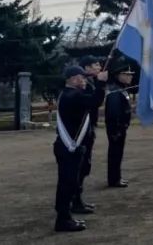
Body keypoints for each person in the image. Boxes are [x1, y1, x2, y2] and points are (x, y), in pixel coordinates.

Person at [54, 67, 95, 233]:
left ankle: (64, 216)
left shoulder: (70, 93)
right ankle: (63, 220)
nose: (83, 81)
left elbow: (90, 97)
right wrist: (100, 84)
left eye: (84, 78)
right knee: (67, 183)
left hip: (68, 147)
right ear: (70, 79)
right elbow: (93, 101)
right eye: (80, 78)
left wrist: (94, 82)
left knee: (69, 183)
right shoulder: (72, 95)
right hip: (68, 147)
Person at [74, 56, 108, 214]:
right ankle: (75, 201)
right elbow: (95, 102)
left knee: (85, 166)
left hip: (89, 127)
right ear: (86, 68)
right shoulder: (84, 85)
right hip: (81, 130)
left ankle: (78, 199)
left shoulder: (91, 83)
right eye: (95, 64)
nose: (99, 66)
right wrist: (101, 83)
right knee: (80, 167)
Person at [105, 67, 134, 188]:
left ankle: (117, 177)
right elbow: (113, 112)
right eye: (127, 74)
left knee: (118, 153)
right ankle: (114, 179)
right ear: (119, 75)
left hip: (120, 128)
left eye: (130, 74)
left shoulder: (121, 89)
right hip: (116, 129)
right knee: (115, 154)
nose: (130, 76)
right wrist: (116, 129)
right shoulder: (115, 91)